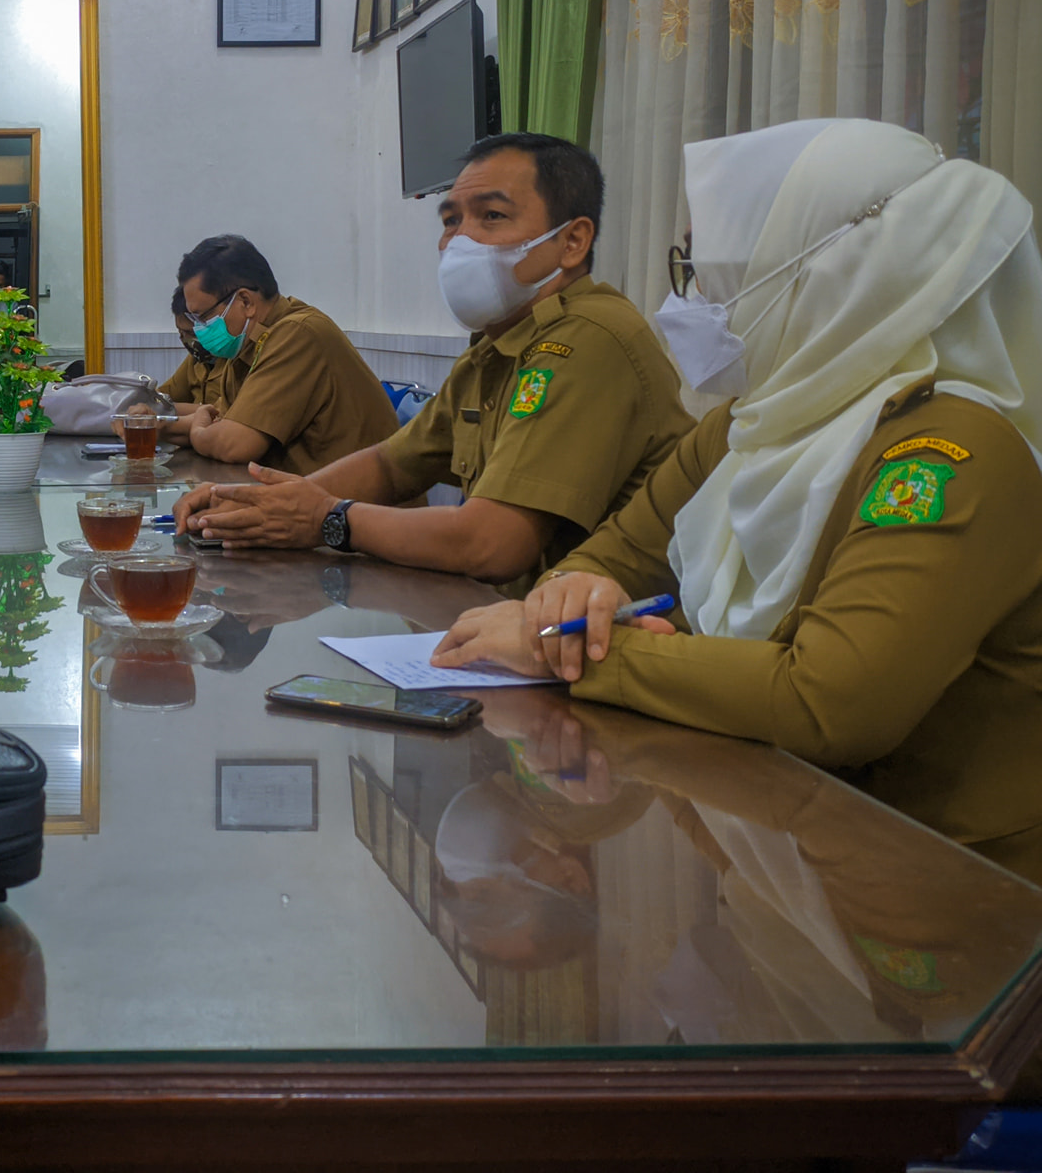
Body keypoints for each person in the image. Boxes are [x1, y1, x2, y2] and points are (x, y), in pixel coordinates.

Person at [431, 119, 1042, 882]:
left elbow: (827, 702)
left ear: (832, 273)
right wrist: (571, 599)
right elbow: (611, 556)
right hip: (783, 845)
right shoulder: (752, 423)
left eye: (713, 270)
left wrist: (571, 650)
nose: (694, 299)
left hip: (945, 893)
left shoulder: (950, 451)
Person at [174, 137, 691, 591]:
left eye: (491, 216)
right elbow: (391, 464)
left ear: (573, 241)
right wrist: (255, 504)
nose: (458, 241)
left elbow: (493, 544)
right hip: (512, 629)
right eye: (451, 221)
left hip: (602, 645)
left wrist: (328, 519)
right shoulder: (493, 350)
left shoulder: (587, 339)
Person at [162, 234, 398, 475]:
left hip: (354, 506)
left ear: (245, 301)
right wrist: (148, 425)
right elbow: (218, 419)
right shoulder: (246, 348)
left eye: (203, 317)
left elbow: (233, 443)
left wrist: (198, 433)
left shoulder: (297, 334)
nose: (199, 330)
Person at [160, 284, 226, 407]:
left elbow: (223, 412)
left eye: (190, 332)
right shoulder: (196, 360)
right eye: (180, 332)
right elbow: (164, 396)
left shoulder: (238, 359)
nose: (185, 339)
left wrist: (160, 412)